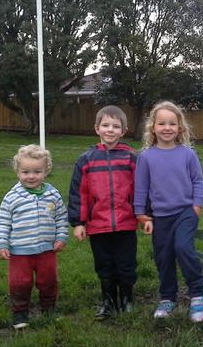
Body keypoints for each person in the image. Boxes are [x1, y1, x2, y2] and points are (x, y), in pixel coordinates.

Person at [68, 105, 145, 320]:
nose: (110, 130)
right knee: (104, 265)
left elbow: (142, 188)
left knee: (126, 264)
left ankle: (127, 300)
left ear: (124, 131)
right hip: (97, 225)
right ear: (97, 128)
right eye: (105, 125)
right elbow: (78, 193)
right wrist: (79, 222)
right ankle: (108, 302)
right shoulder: (86, 160)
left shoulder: (131, 158)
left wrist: (143, 215)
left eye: (116, 126)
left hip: (126, 223)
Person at [134, 101, 203, 323]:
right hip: (160, 217)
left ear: (180, 128)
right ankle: (167, 297)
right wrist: (140, 213)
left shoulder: (187, 154)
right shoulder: (146, 157)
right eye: (162, 123)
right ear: (153, 127)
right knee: (163, 257)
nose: (167, 128)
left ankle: (197, 295)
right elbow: (141, 188)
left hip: (186, 212)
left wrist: (196, 205)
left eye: (172, 124)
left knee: (183, 248)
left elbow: (198, 181)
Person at [0, 144, 68, 330]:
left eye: (37, 171)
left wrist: (61, 237)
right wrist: (1, 244)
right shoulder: (12, 197)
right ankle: (20, 312)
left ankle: (49, 308)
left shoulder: (53, 195)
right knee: (20, 282)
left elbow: (61, 217)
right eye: (25, 171)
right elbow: (3, 222)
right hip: (20, 252)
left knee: (49, 281)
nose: (31, 176)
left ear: (46, 171)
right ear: (17, 172)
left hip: (47, 250)